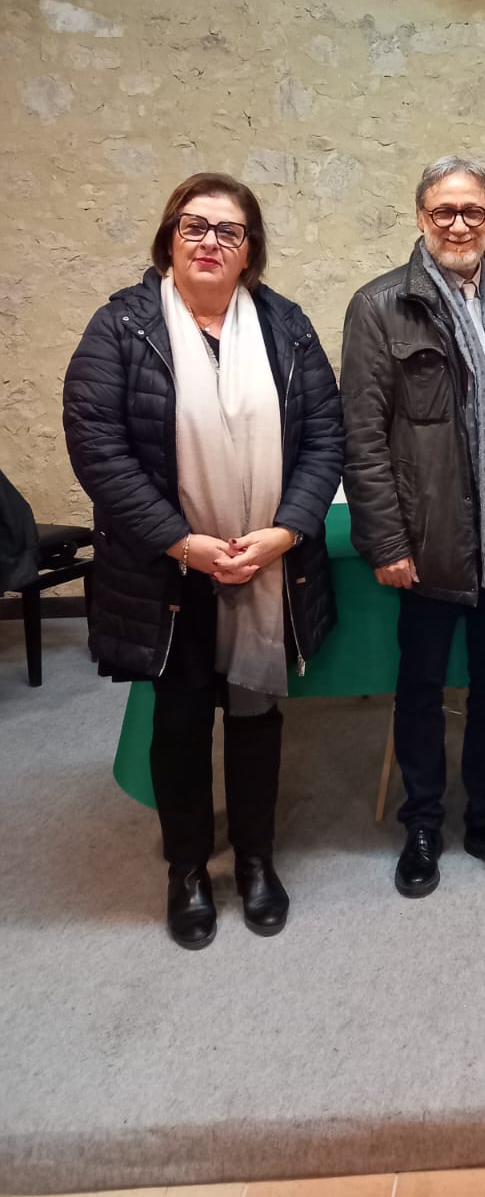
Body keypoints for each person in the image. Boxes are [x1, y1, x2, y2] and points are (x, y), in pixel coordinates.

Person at [63, 174, 343, 950]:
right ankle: (186, 869)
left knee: (254, 714)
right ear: (170, 239)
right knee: (181, 719)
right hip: (170, 570)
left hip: (265, 564)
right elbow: (98, 447)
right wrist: (181, 541)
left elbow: (326, 434)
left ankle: (255, 860)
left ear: (250, 250)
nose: (210, 242)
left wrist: (287, 530)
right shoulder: (122, 325)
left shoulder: (286, 325)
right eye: (195, 226)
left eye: (229, 230)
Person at [340, 156, 485, 899]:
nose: (459, 224)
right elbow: (362, 437)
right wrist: (386, 541)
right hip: (429, 538)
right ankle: (422, 826)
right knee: (421, 687)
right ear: (421, 218)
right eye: (445, 211)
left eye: (473, 211)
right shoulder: (380, 306)